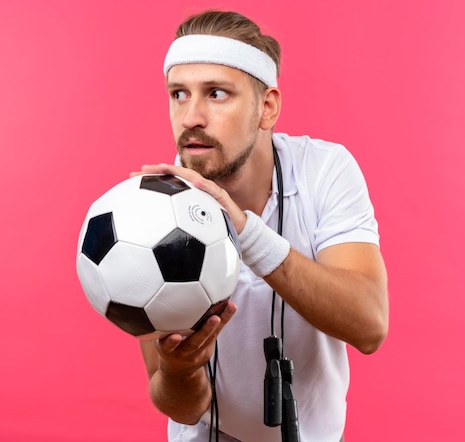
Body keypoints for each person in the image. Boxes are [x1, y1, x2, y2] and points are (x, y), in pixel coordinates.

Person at [136, 10, 389, 442]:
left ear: (266, 107)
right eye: (178, 94)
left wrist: (247, 232)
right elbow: (180, 404)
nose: (191, 116)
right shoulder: (149, 211)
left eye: (216, 93)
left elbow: (369, 325)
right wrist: (180, 370)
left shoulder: (324, 170)